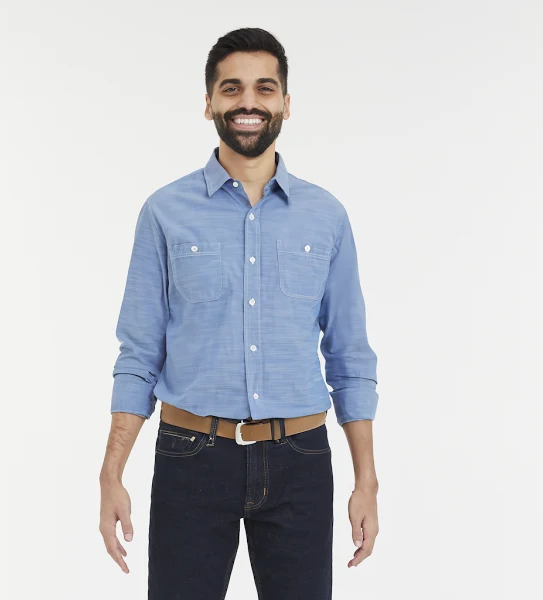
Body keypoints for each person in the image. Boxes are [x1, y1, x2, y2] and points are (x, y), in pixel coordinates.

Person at [99, 27, 380, 600]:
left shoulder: (326, 216)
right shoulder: (164, 212)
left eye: (264, 88)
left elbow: (349, 355)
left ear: (285, 104)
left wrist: (366, 480)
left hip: (300, 458)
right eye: (231, 88)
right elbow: (140, 352)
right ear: (209, 103)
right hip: (191, 456)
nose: (248, 102)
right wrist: (111, 472)